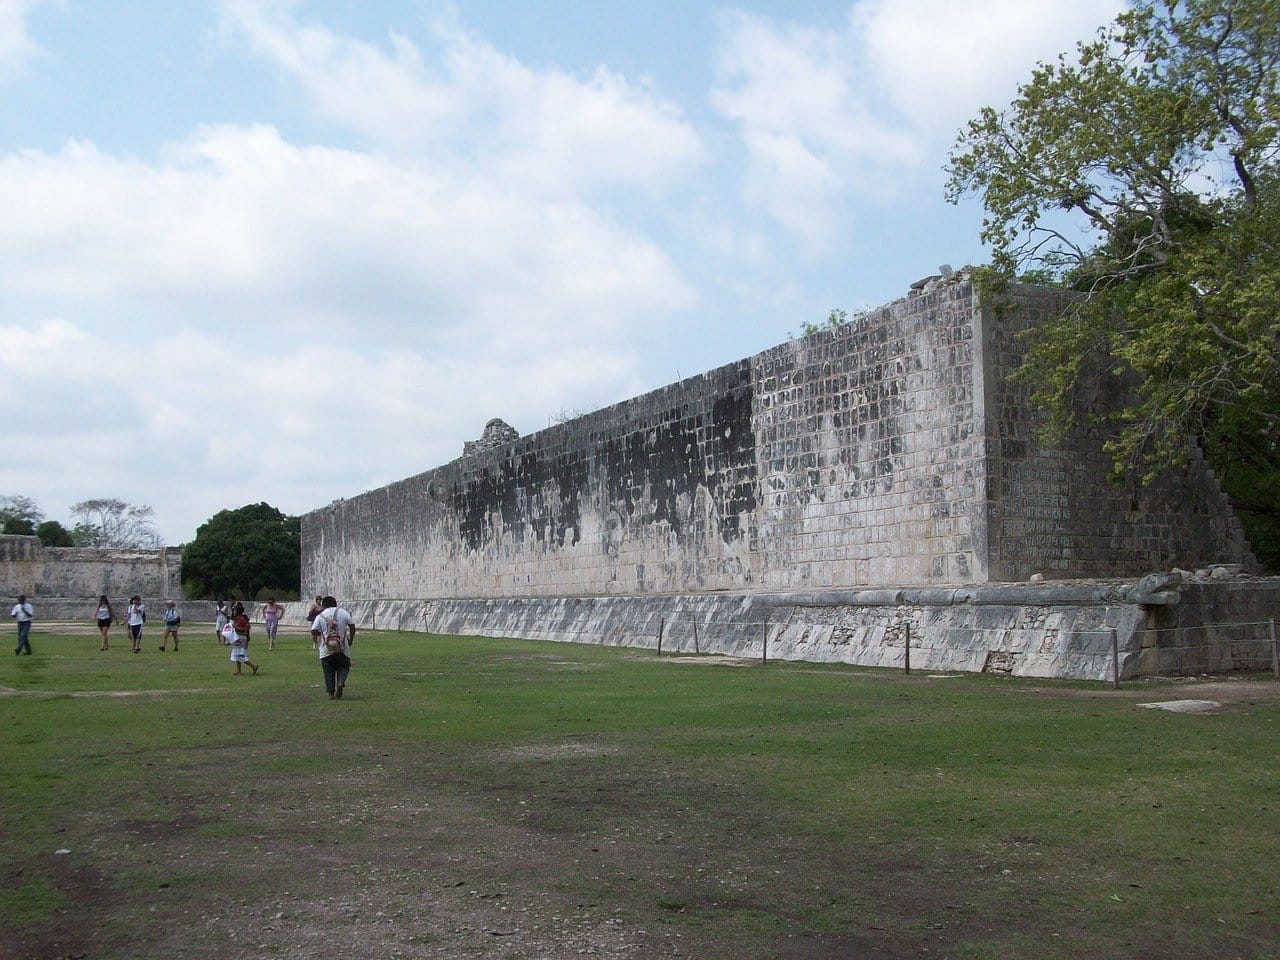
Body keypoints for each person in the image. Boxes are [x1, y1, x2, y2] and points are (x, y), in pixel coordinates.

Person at [310, 596, 355, 700]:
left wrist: (318, 639)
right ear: (335, 603)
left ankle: (331, 693)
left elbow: (313, 631)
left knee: (328, 670)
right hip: (342, 647)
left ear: (324, 605)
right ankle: (340, 682)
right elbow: (352, 626)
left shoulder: (321, 615)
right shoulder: (344, 613)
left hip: (326, 648)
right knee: (344, 666)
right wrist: (351, 639)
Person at [226, 602, 258, 676]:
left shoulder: (240, 619)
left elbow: (243, 629)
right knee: (237, 654)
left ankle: (253, 666)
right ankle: (239, 670)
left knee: (239, 655)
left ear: (237, 612)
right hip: (240, 638)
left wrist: (235, 627)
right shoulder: (241, 618)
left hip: (240, 638)